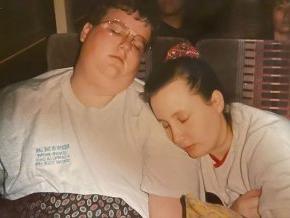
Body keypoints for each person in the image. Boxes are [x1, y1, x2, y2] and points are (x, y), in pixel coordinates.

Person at [0, 1, 200, 217]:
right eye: (115, 29)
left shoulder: (159, 115)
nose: (125, 44)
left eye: (137, 44)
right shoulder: (16, 103)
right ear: (86, 31)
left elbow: (169, 209)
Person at [144, 42, 290, 218]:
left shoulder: (272, 143)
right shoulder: (185, 148)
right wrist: (231, 213)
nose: (176, 137)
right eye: (165, 125)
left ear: (216, 102)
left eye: (183, 119)